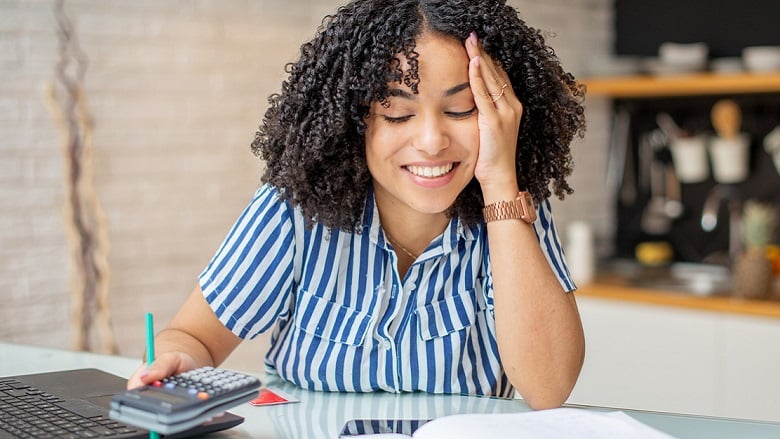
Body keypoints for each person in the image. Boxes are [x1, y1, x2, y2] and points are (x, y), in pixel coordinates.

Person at [129, 0, 586, 410]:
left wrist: (501, 183)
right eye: (397, 114)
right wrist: (177, 360)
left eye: (462, 110)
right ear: (355, 121)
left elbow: (548, 388)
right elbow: (193, 337)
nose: (430, 142)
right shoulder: (296, 207)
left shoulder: (510, 208)